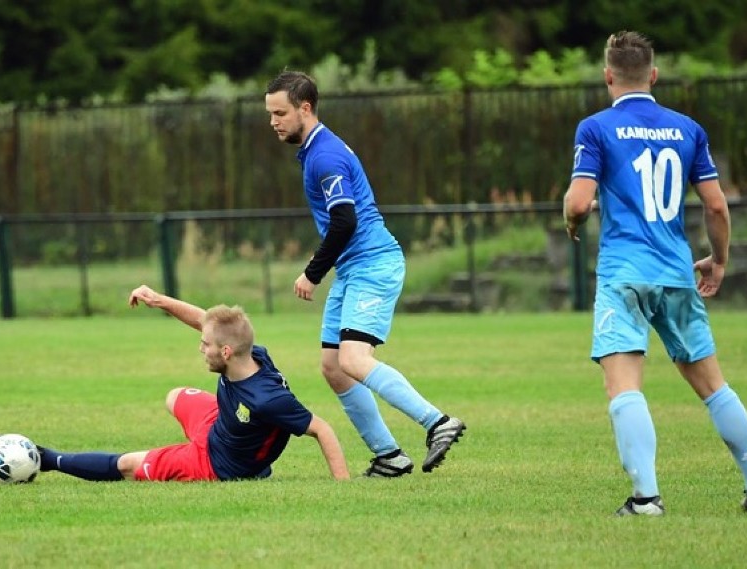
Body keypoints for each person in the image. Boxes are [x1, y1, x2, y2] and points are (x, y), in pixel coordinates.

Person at [563, 30, 747, 515]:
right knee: (713, 386)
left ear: (608, 76)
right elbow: (717, 207)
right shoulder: (687, 128)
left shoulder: (596, 128)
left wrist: (572, 218)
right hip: (676, 271)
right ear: (654, 75)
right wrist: (719, 260)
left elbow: (579, 201)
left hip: (624, 275)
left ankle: (646, 499)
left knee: (624, 386)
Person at [264, 70, 466, 477]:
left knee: (354, 359)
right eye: (270, 114)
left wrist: (312, 273)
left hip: (373, 264)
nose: (273, 122)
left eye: (280, 113)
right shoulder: (316, 149)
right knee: (333, 367)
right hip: (355, 268)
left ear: (305, 108)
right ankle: (389, 456)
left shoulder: (324, 155)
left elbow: (345, 221)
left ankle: (438, 423)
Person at [33, 285, 350, 482]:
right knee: (174, 397)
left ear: (225, 352)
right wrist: (158, 300)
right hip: (218, 426)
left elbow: (321, 429)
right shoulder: (250, 353)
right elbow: (206, 320)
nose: (201, 348)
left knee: (128, 464)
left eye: (205, 345)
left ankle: (47, 459)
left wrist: (342, 485)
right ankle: (252, 463)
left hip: (214, 464)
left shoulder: (266, 399)